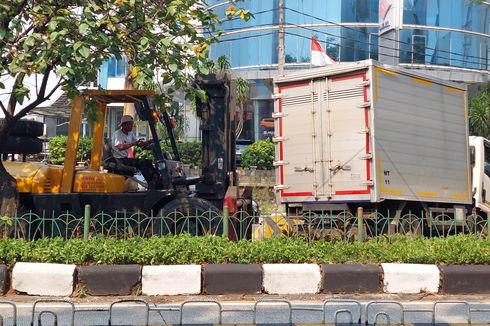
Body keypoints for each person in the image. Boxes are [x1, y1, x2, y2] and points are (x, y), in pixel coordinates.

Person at [112, 115, 158, 188]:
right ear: (124, 124)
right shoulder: (118, 134)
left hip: (126, 159)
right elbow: (120, 147)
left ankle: (156, 180)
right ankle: (151, 184)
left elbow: (138, 143)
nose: (132, 126)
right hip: (119, 160)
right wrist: (134, 143)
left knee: (148, 161)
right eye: (130, 124)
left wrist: (149, 141)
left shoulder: (130, 133)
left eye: (132, 124)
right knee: (142, 163)